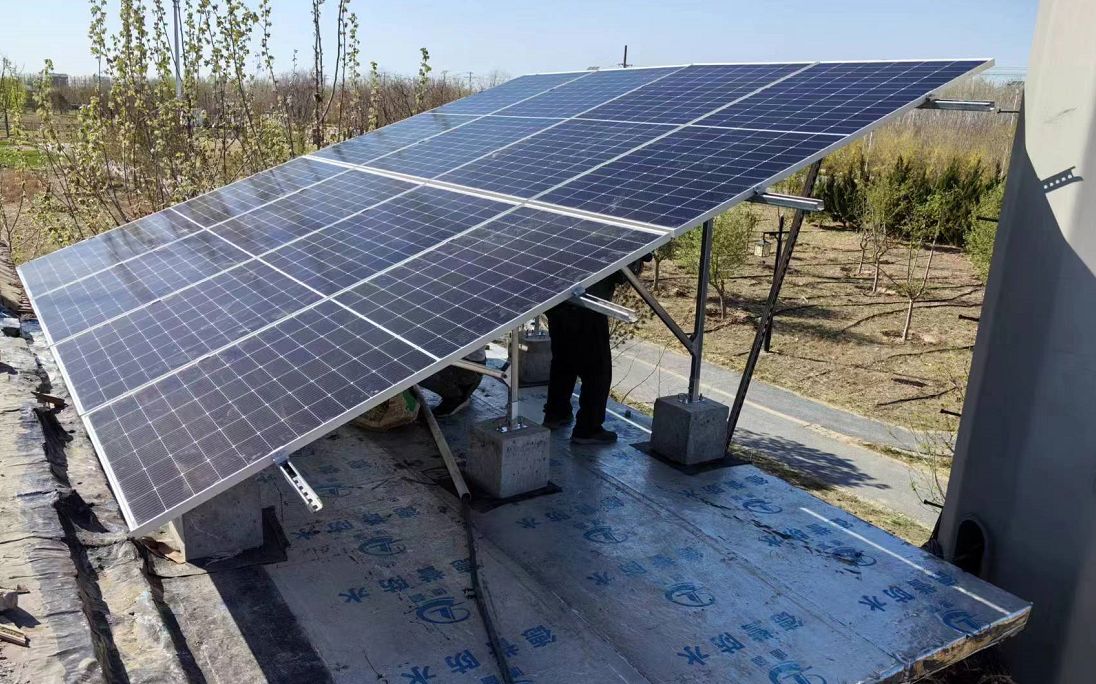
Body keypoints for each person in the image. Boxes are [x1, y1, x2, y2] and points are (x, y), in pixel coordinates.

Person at [543, 259, 646, 443]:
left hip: (559, 301)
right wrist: (636, 262)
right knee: (597, 371)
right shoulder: (615, 244)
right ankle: (588, 428)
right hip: (588, 307)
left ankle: (556, 413)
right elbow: (621, 274)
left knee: (563, 361)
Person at [419, 347, 487, 416]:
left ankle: (456, 398)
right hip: (455, 358)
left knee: (421, 373)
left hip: (470, 367)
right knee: (418, 364)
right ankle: (459, 388)